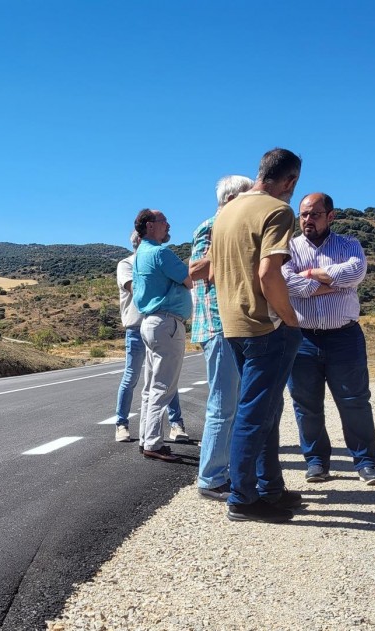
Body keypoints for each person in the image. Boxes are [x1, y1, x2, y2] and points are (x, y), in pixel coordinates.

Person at [207, 148, 304, 523]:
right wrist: (289, 318)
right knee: (254, 413)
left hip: (234, 324)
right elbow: (268, 274)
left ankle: (269, 488)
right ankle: (243, 499)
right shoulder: (278, 211)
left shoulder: (225, 213)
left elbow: (214, 274)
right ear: (290, 180)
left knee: (266, 409)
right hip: (267, 326)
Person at [282, 192, 375, 486]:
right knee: (306, 405)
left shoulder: (349, 244)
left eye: (314, 214)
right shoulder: (288, 247)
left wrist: (313, 273)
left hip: (344, 337)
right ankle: (316, 462)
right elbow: (288, 282)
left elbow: (355, 271)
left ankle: (366, 463)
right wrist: (332, 284)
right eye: (303, 214)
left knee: (354, 401)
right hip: (302, 339)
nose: (307, 220)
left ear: (331, 216)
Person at [189, 175, 253, 500]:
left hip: (232, 325)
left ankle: (223, 472)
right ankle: (211, 478)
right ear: (231, 200)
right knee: (223, 404)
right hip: (218, 325)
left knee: (235, 402)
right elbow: (198, 270)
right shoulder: (212, 227)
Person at [132, 208, 194, 462]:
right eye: (164, 221)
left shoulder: (140, 254)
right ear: (149, 225)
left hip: (151, 322)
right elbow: (189, 280)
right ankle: (154, 444)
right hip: (168, 323)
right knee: (163, 387)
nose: (168, 226)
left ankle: (147, 438)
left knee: (151, 386)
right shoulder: (160, 253)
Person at [114, 231, 185, 443]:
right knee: (132, 377)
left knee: (165, 378)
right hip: (136, 327)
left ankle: (176, 423)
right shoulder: (126, 264)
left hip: (157, 323)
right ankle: (121, 424)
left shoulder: (158, 260)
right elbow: (136, 288)